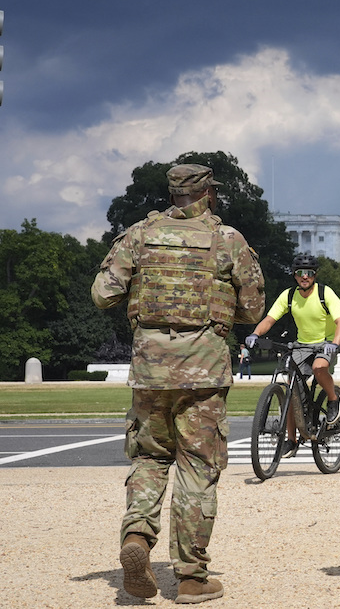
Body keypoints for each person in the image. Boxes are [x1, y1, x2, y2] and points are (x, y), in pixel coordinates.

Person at [92, 163, 265, 603]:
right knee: (197, 468)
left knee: (149, 458)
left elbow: (102, 294)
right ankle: (190, 576)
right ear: (208, 193)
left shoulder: (138, 235)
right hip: (204, 371)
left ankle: (136, 536)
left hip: (150, 369)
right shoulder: (227, 240)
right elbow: (251, 308)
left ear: (172, 193)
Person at [246, 254, 340, 457]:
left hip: (325, 344)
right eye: (301, 273)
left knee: (320, 368)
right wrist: (255, 334)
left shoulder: (324, 293)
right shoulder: (289, 295)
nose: (305, 277)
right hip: (301, 346)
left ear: (315, 275)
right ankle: (291, 441)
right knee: (292, 391)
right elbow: (270, 318)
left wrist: (334, 344)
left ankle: (333, 400)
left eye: (309, 273)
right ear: (294, 275)